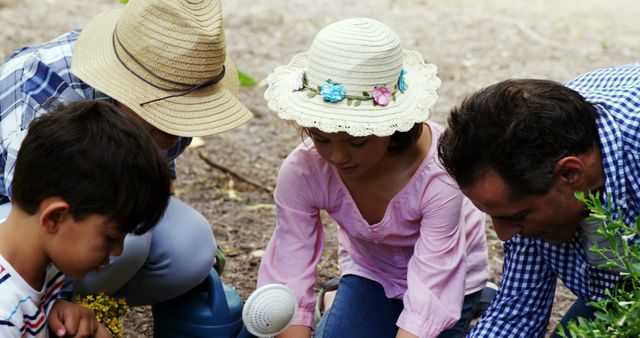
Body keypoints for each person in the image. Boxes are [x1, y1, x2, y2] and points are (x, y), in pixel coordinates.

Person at [0, 0, 252, 306]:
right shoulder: (46, 90)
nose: (173, 135)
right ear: (125, 85)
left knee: (192, 248)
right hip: (16, 216)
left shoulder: (182, 77)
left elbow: (154, 182)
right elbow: (32, 218)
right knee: (129, 241)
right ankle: (33, 307)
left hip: (80, 213)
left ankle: (90, 302)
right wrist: (54, 302)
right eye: (164, 115)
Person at [257, 18, 489, 338]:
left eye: (357, 141)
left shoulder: (440, 173)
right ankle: (344, 297)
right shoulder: (304, 169)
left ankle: (482, 298)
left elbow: (435, 278)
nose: (337, 157)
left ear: (392, 126)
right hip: (373, 271)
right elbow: (289, 266)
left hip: (450, 280)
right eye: (321, 138)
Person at [437, 63, 640, 337]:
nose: (503, 234)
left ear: (570, 173)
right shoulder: (535, 159)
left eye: (515, 217)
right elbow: (516, 313)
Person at [0, 100, 171, 337]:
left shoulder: (41, 262)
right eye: (110, 237)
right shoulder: (4, 317)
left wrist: (55, 308)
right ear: (55, 217)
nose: (118, 251)